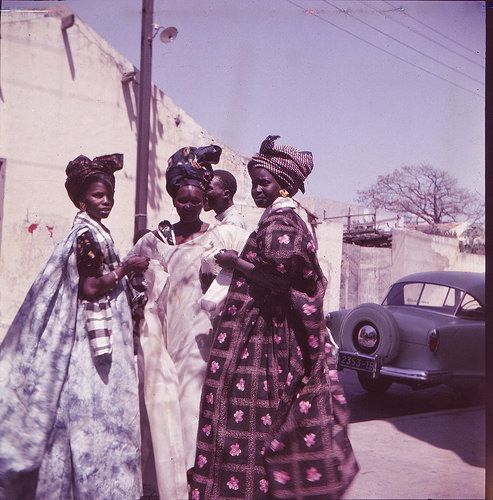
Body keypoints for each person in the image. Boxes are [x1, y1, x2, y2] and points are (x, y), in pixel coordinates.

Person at [189, 135, 359, 499]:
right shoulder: (284, 218)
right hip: (264, 333)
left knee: (247, 418)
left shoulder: (282, 222)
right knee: (253, 419)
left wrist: (235, 262)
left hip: (265, 338)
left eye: (263, 183)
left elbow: (278, 279)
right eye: (254, 184)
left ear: (286, 186)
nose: (256, 190)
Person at [0, 154, 149, 499]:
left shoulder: (93, 231)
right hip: (92, 335)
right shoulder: (86, 235)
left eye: (109, 195)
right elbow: (92, 287)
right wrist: (126, 268)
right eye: (98, 196)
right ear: (82, 200)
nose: (106, 201)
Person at [131, 145, 248, 500]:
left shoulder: (222, 238)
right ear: (174, 199)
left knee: (191, 414)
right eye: (182, 200)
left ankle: (191, 488)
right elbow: (132, 275)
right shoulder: (153, 241)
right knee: (158, 412)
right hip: (162, 343)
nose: (188, 206)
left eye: (195, 200)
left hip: (200, 343)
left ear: (204, 201)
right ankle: (162, 487)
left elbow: (259, 264)